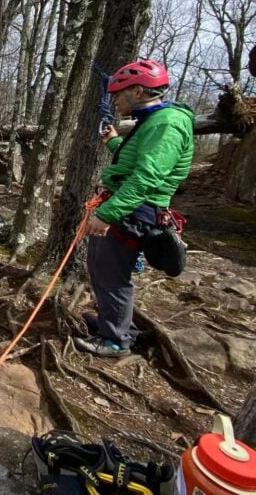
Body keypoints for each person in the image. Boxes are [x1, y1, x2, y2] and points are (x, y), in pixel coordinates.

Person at [75, 60, 194, 357]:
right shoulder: (153, 121)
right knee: (102, 268)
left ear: (138, 92)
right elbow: (138, 161)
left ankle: (115, 340)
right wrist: (115, 143)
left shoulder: (167, 123)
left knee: (111, 273)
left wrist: (108, 213)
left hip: (135, 208)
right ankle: (114, 325)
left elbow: (148, 176)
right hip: (128, 203)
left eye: (119, 94)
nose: (114, 101)